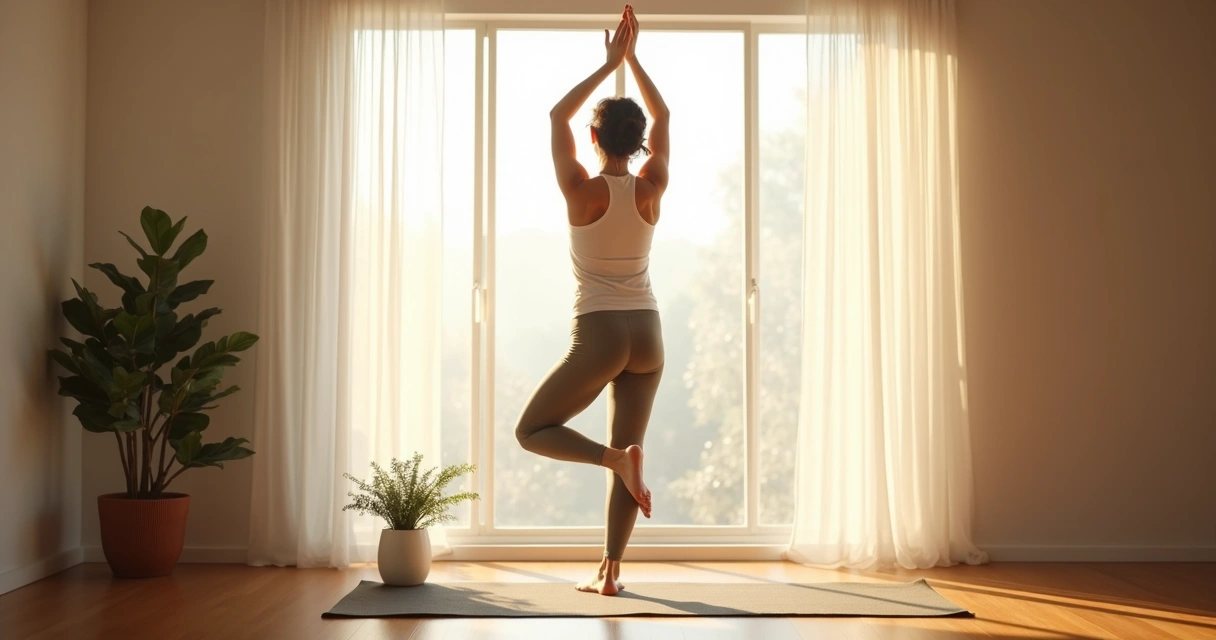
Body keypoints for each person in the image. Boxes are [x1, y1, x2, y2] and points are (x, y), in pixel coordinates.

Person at [513, 4, 670, 596]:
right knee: (634, 445)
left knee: (532, 430)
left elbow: (557, 113)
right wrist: (635, 61)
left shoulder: (580, 190)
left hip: (601, 332)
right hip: (649, 334)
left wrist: (609, 65)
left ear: (594, 137)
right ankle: (611, 575)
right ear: (642, 141)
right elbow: (665, 114)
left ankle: (612, 462)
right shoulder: (653, 185)